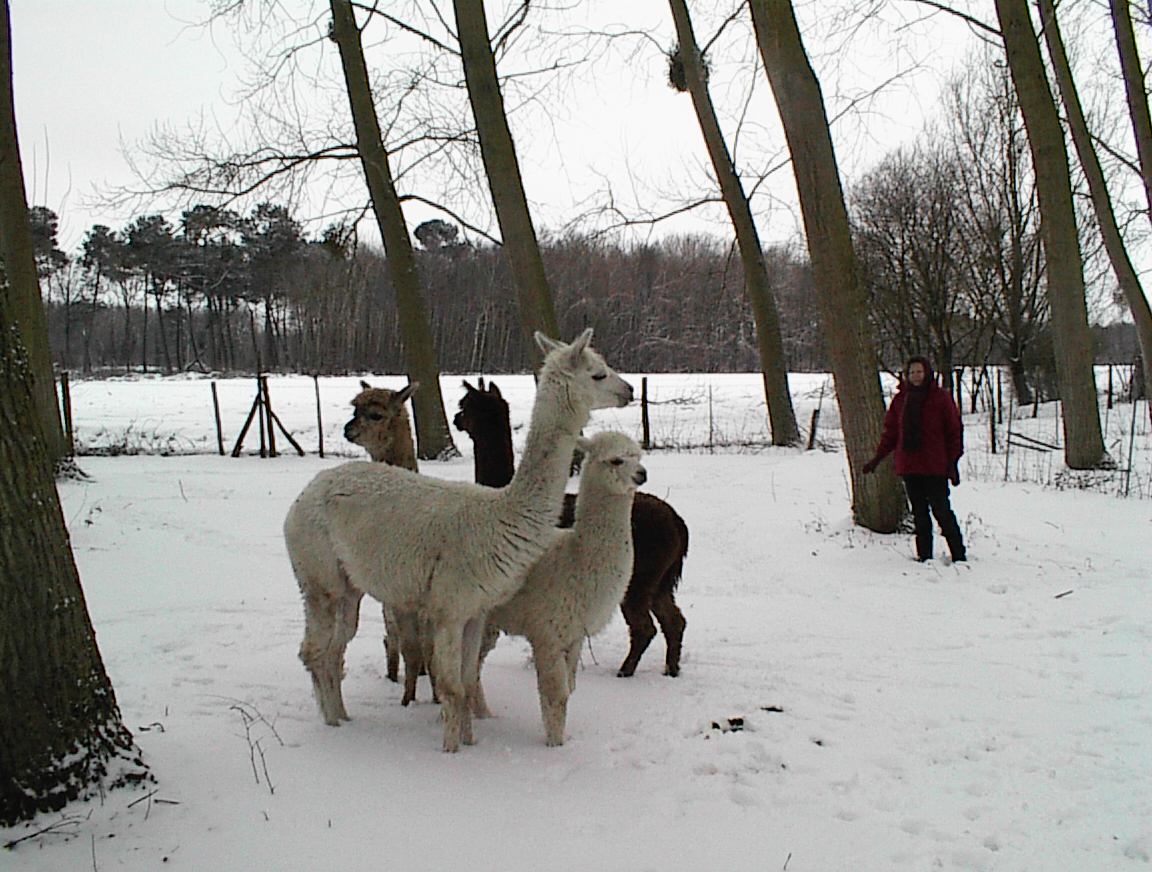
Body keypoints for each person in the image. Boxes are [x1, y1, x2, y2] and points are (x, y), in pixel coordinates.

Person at [863, 356, 967, 563]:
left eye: (919, 372)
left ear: (927, 372)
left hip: (935, 465)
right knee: (919, 513)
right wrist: (877, 458)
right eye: (911, 373)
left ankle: (958, 554)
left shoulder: (941, 398)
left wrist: (952, 462)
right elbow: (891, 433)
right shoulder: (901, 400)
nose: (916, 376)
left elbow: (954, 431)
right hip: (909, 466)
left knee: (942, 511)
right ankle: (925, 556)